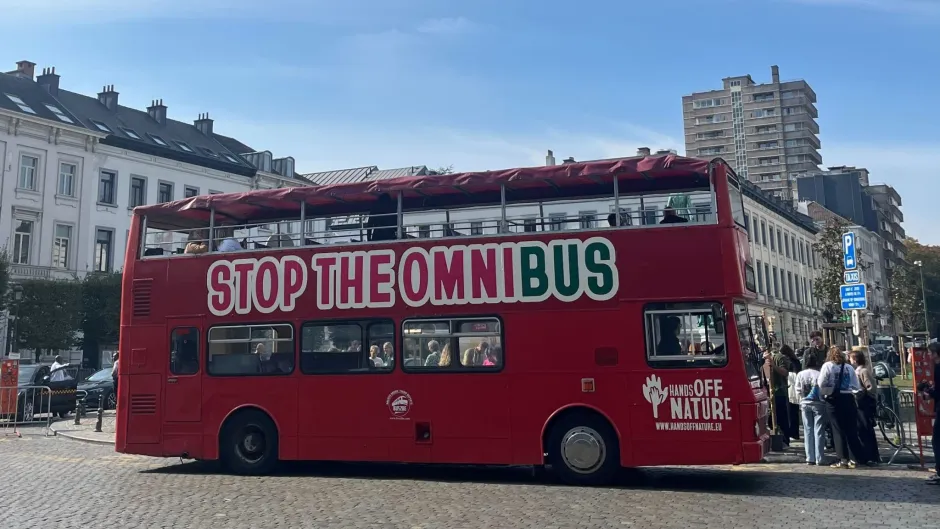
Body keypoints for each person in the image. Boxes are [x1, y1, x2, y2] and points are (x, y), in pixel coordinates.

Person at [818, 346, 867, 469]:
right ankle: (855, 458)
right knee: (851, 429)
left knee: (837, 429)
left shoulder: (828, 366)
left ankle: (843, 459)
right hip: (848, 398)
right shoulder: (849, 367)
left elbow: (821, 382)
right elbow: (856, 385)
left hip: (833, 399)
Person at [795, 349, 827, 465]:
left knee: (808, 431)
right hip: (818, 403)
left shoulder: (800, 374)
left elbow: (797, 390)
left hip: (805, 403)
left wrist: (803, 397)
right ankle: (820, 458)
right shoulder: (819, 374)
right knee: (819, 430)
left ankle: (810, 457)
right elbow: (823, 389)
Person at [850, 347, 880, 466]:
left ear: (855, 360)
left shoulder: (863, 371)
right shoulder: (857, 371)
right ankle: (865, 454)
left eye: (851, 358)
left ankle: (870, 455)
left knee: (865, 428)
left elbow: (870, 388)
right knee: (861, 429)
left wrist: (861, 392)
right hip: (859, 403)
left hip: (864, 403)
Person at [763, 345, 793, 445]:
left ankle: (785, 440)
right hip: (765, 393)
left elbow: (785, 372)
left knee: (781, 418)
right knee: (769, 419)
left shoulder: (780, 357)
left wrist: (773, 365)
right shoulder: (759, 358)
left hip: (779, 393)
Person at [923, 343, 940, 484]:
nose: (928, 355)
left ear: (935, 354)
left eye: (930, 353)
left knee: (937, 440)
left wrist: (929, 393)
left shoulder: (938, 368)